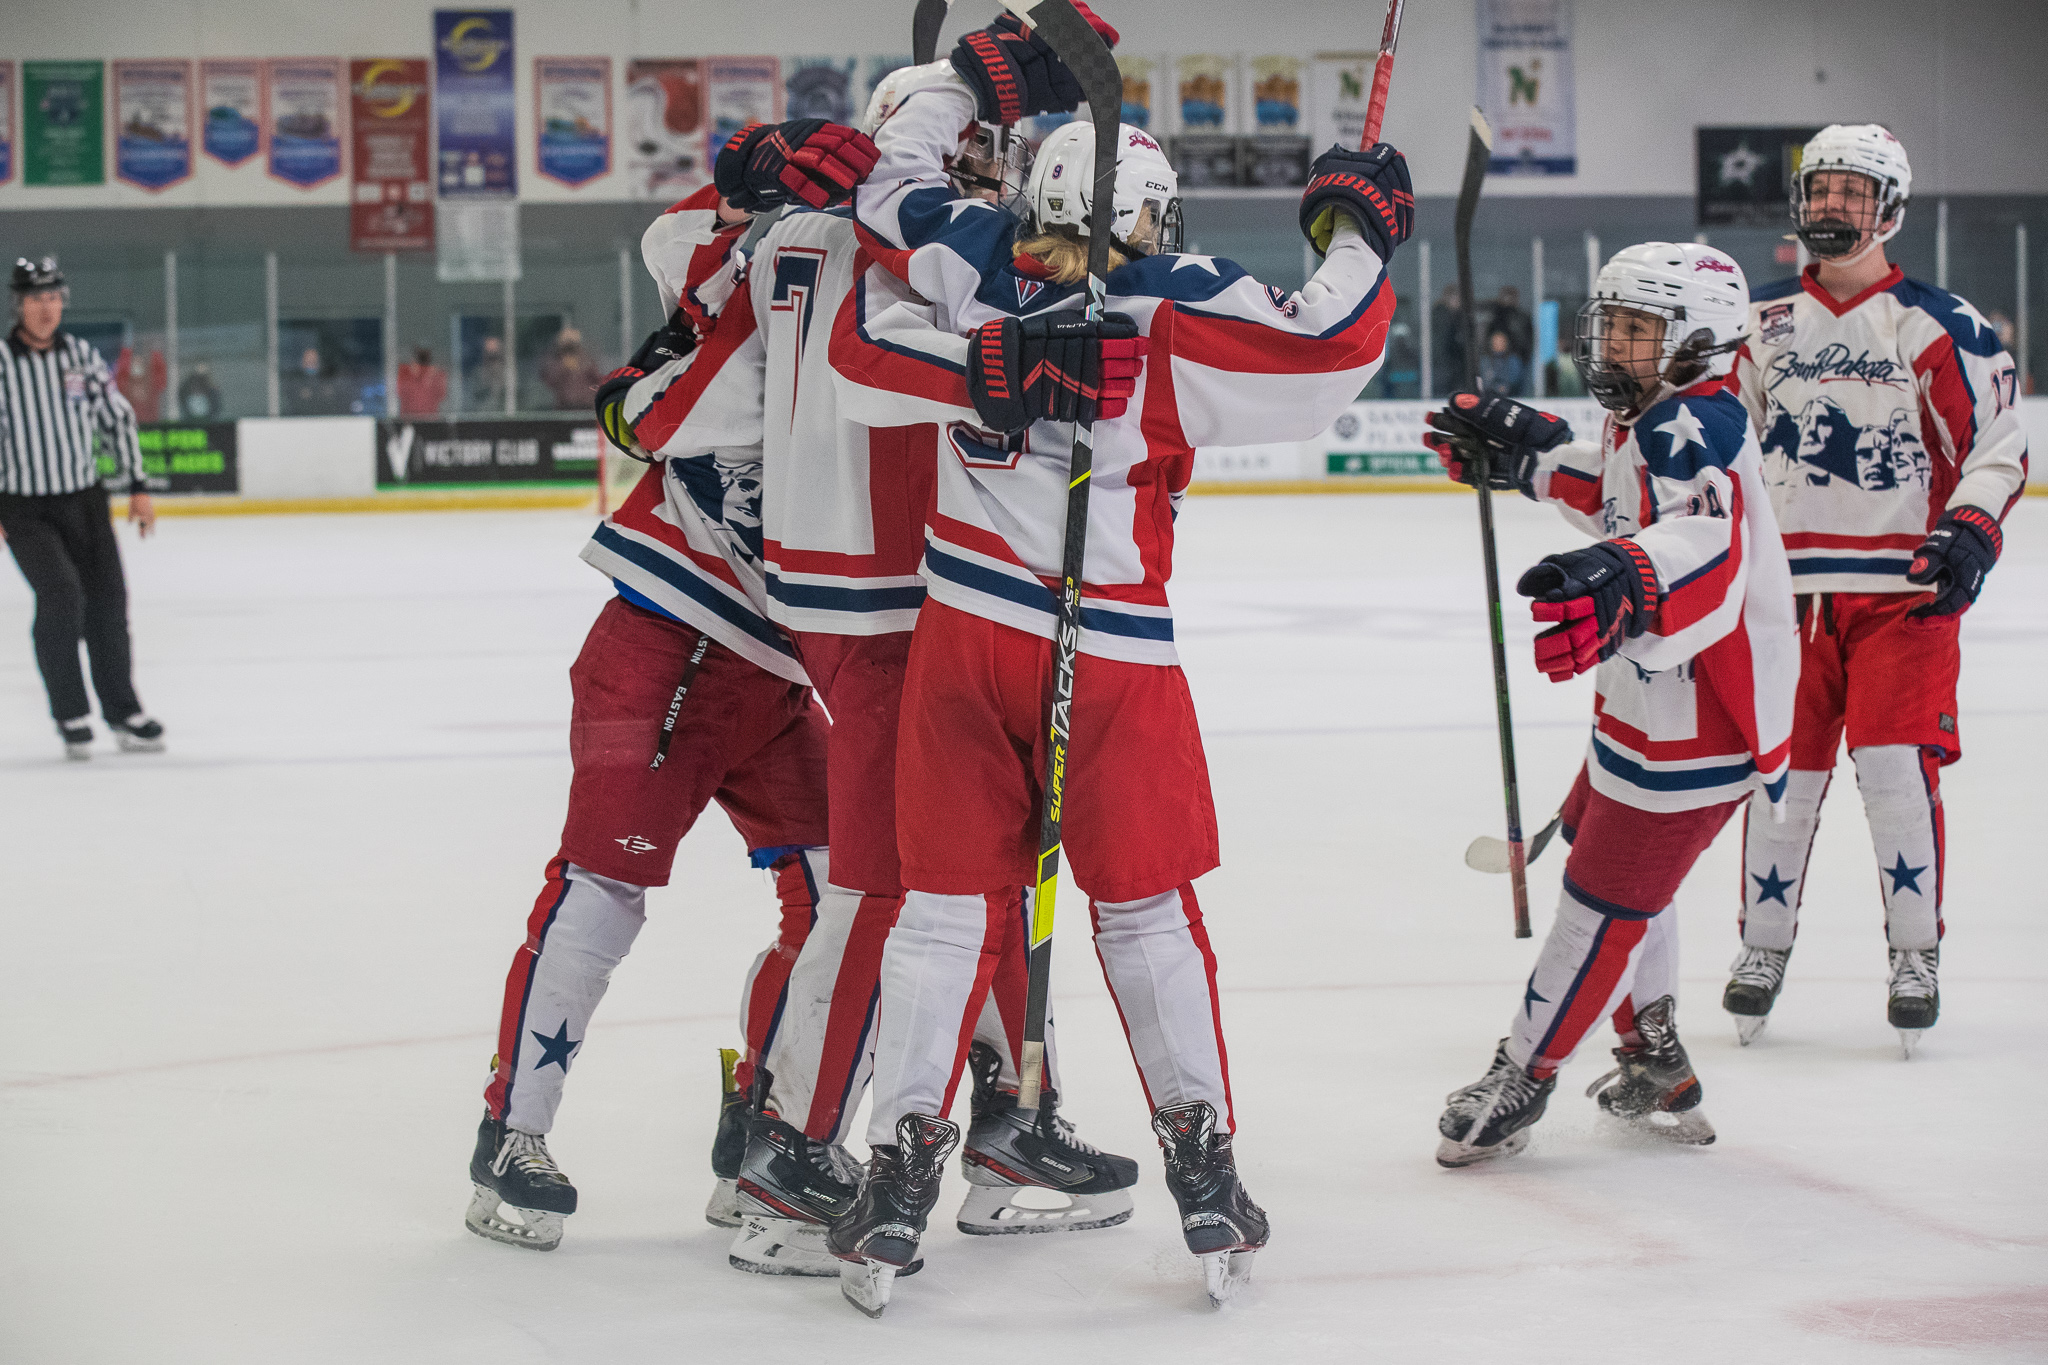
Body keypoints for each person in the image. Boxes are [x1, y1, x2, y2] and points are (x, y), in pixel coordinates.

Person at [831, 24, 1402, 1311]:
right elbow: (1329, 352)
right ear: (1151, 213)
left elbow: (885, 188)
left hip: (959, 641)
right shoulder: (1175, 298)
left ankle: (899, 1171)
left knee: (939, 912)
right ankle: (1200, 1166)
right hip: (1112, 653)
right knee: (1142, 914)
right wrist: (1356, 226)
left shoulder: (970, 253)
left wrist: (958, 88)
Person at [610, 93, 1139, 1275]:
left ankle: (1008, 1119)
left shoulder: (797, 225)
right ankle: (792, 1158)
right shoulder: (894, 226)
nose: (988, 167)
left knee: (985, 865)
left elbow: (675, 262)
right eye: (970, 145)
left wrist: (745, 182)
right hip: (894, 596)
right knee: (893, 888)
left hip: (852, 592)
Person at [464, 121, 880, 1254]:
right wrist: (771, 184)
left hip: (776, 674)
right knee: (603, 888)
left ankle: (765, 1129)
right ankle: (512, 1132)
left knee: (850, 893)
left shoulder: (821, 284)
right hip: (663, 642)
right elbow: (685, 260)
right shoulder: (736, 284)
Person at [1424, 242, 1796, 1166]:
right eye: (1615, 324)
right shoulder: (1654, 419)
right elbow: (1619, 497)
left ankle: (1522, 1074)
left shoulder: (1693, 429)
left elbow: (1708, 548)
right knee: (1623, 889)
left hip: (1701, 720)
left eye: (1638, 329)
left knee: (1601, 901)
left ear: (1696, 343)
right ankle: (1653, 1056)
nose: (1615, 343)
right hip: (1650, 704)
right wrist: (1532, 456)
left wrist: (1627, 577)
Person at [1723, 126, 2029, 1056]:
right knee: (1784, 783)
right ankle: (1762, 946)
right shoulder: (1758, 322)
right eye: (1821, 189)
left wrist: (1971, 525)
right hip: (1786, 601)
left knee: (1897, 777)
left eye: (1854, 193)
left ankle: (1915, 949)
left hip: (1903, 593)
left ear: (1889, 208)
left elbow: (2000, 445)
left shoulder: (1938, 323)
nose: (1833, 207)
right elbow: (1719, 453)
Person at [0, 256, 165, 760]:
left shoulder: (80, 357)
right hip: (25, 509)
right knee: (63, 597)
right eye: (36, 299)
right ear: (19, 305)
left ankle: (123, 711)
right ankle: (70, 712)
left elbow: (116, 418)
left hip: (85, 501)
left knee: (109, 607)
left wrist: (138, 485)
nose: (46, 308)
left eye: (53, 298)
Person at [538, 325, 600, 411]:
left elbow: (597, 378)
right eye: (566, 341)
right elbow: (548, 379)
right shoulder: (555, 360)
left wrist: (579, 365)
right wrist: (563, 365)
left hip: (586, 406)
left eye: (572, 342)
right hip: (564, 406)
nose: (569, 346)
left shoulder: (586, 359)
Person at [1431, 283, 1466, 395]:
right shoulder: (1439, 314)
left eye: (1457, 297)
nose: (1455, 301)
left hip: (1458, 364)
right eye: (1452, 297)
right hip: (1441, 362)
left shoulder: (1462, 316)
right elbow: (1438, 339)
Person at [396, 346, 448, 416]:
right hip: (409, 419)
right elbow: (400, 392)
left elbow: (442, 395)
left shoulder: (438, 374)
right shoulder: (405, 372)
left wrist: (430, 376)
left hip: (430, 419)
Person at [1478, 328, 1524, 396]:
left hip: (1513, 398)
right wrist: (1496, 387)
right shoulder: (1485, 361)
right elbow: (1484, 381)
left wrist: (1506, 387)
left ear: (1507, 343)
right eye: (1496, 342)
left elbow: (1517, 380)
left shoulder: (1513, 360)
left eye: (1502, 341)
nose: (1499, 344)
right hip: (1489, 397)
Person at [468, 334, 508, 413]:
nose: (492, 352)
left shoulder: (509, 373)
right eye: (489, 350)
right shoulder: (477, 374)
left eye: (495, 350)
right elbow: (474, 399)